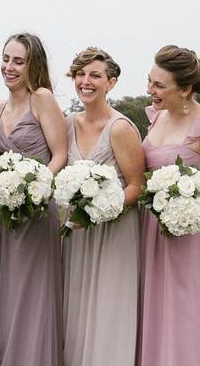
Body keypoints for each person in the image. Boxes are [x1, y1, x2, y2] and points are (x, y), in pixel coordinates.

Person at [138, 45, 200, 366]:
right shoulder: (155, 116)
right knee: (155, 307)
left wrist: (190, 206)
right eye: (150, 81)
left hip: (188, 231)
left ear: (185, 89)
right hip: (151, 229)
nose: (150, 90)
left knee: (187, 309)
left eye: (159, 85)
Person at [60, 47, 145, 366]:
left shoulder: (120, 128)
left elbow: (137, 185)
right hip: (77, 236)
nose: (86, 81)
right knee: (78, 311)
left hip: (113, 234)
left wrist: (99, 209)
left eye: (95, 75)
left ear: (111, 83)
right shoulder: (67, 123)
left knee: (109, 310)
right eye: (80, 74)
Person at [0, 33, 67, 366]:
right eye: (6, 58)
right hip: (3, 215)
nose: (9, 67)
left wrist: (33, 189)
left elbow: (60, 155)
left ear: (33, 64)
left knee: (31, 294)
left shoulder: (43, 99)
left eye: (18, 61)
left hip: (36, 212)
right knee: (5, 292)